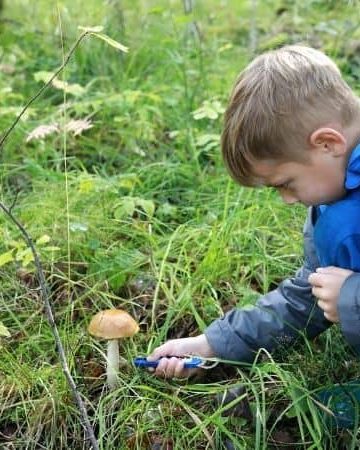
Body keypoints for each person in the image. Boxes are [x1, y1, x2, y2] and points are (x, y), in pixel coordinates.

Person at [147, 45, 360, 378]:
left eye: (286, 183)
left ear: (327, 144)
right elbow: (306, 299)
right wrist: (210, 346)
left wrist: (352, 298)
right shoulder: (333, 198)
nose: (288, 200)